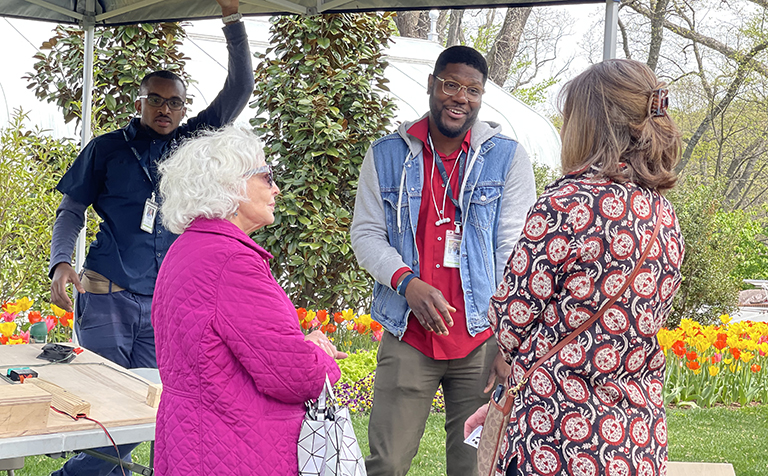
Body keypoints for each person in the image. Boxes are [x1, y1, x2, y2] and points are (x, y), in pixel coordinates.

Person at [47, 1, 253, 474]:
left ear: (184, 107)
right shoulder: (106, 150)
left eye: (175, 101)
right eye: (156, 100)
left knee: (153, 411)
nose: (165, 109)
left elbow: (240, 87)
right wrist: (61, 262)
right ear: (139, 103)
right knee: (102, 413)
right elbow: (71, 208)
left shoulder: (192, 143)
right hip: (107, 297)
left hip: (166, 302)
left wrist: (232, 20)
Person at [464, 59, 685, 476]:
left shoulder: (566, 204)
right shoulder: (663, 215)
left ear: (588, 124)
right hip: (635, 438)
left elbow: (513, 318)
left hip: (557, 436)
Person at [350, 45, 537, 476]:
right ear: (432, 84)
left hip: (480, 341)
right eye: (451, 84)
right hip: (408, 334)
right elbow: (365, 234)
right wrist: (406, 282)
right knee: (387, 464)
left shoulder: (507, 158)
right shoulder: (386, 155)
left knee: (474, 466)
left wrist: (509, 343)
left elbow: (516, 254)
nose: (461, 97)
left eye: (473, 90)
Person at [152, 125, 344, 475]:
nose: (276, 189)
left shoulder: (187, 249)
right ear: (231, 185)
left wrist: (299, 344)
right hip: (235, 448)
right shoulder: (232, 262)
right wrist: (320, 355)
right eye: (266, 177)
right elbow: (295, 377)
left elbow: (226, 349)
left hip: (192, 441)